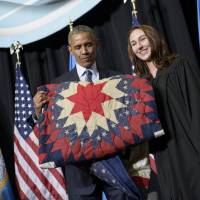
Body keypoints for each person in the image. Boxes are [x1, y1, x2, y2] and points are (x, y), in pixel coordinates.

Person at [31, 25, 139, 200]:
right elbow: (49, 127)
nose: (84, 51)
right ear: (70, 50)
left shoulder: (116, 79)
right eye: (78, 47)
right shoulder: (58, 85)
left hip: (114, 161)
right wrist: (37, 110)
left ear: (96, 45)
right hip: (77, 170)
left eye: (88, 45)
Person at [127, 24, 200, 200]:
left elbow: (197, 107)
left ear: (153, 38)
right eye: (134, 43)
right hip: (164, 156)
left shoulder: (178, 66)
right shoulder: (141, 85)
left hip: (189, 146)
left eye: (143, 39)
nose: (140, 46)